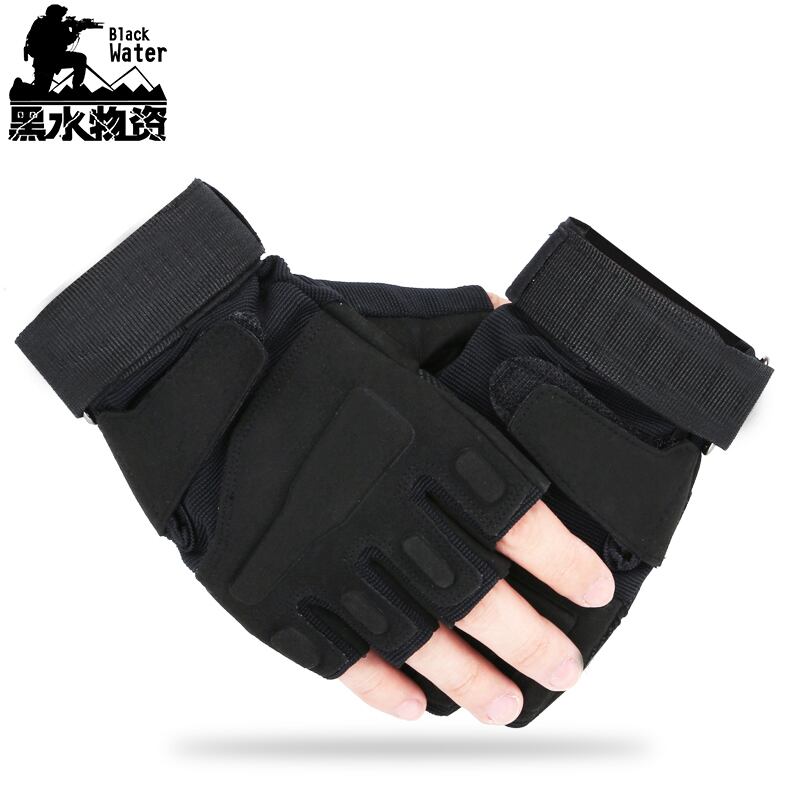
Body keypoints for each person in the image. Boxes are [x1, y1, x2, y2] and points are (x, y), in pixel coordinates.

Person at [25, 5, 87, 94]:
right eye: (60, 16)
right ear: (56, 15)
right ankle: (76, 89)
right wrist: (75, 30)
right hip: (51, 60)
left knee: (41, 90)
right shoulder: (57, 25)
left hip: (44, 60)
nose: (61, 18)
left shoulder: (39, 22)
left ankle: (76, 88)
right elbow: (67, 40)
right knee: (41, 91)